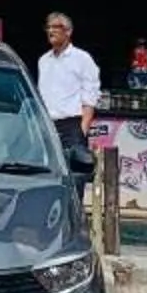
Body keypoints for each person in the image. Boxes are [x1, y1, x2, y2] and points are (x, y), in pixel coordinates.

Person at [36, 11, 101, 189]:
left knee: (74, 177)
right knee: (47, 176)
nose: (51, 31)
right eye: (48, 27)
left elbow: (90, 96)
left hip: (72, 125)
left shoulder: (82, 59)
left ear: (68, 31)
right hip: (47, 125)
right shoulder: (44, 61)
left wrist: (82, 130)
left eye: (55, 27)